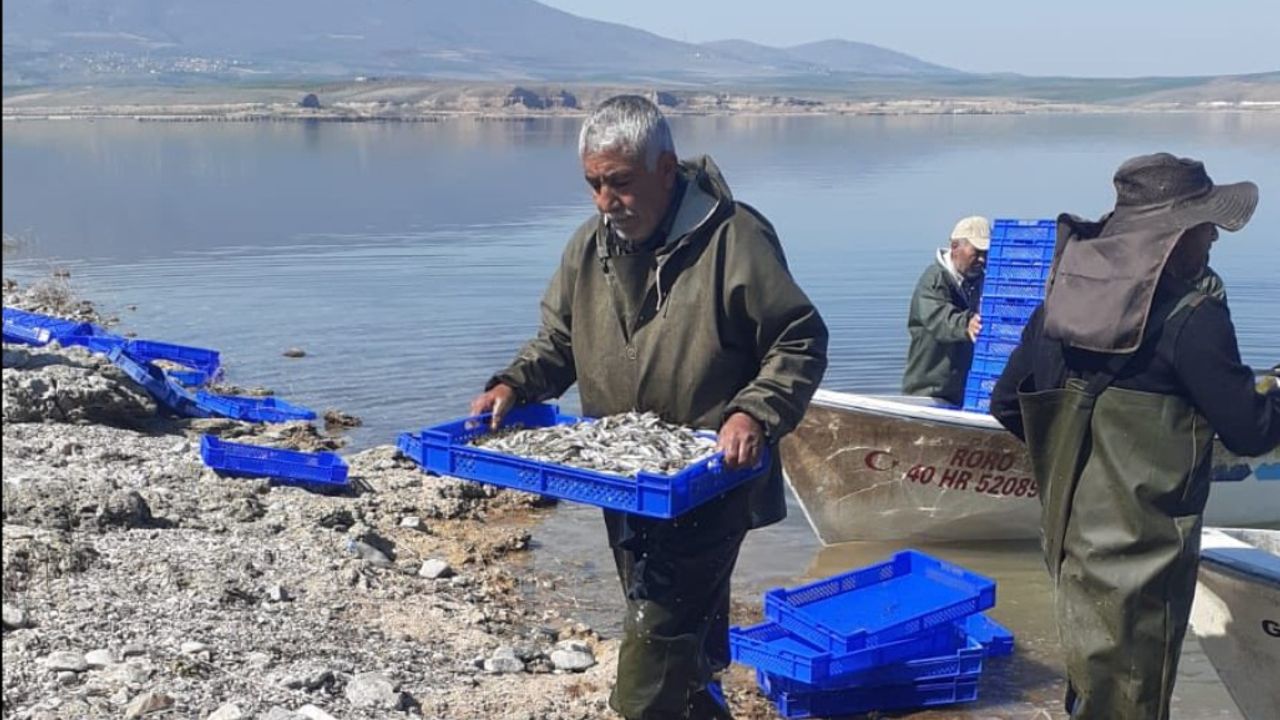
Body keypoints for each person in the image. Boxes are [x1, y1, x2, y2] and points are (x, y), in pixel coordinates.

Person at [469, 95, 828, 720]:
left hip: (711, 481)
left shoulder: (735, 238)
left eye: (620, 182)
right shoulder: (590, 247)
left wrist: (753, 412)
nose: (605, 201)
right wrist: (513, 385)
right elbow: (559, 343)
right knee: (675, 624)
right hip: (624, 481)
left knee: (654, 635)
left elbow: (798, 340)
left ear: (665, 169)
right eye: (594, 184)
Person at [990, 152, 1280, 720]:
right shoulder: (1192, 317)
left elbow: (1006, 403)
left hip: (1070, 544)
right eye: (1205, 225)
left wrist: (1078, 467)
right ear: (1173, 236)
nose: (1214, 239)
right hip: (1145, 558)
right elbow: (1251, 431)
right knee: (1133, 700)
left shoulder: (1059, 307)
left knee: (1092, 690)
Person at [902, 215, 990, 405]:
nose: (982, 259)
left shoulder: (981, 281)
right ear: (955, 246)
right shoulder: (933, 280)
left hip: (964, 390)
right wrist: (967, 324)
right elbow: (939, 319)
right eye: (976, 252)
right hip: (929, 390)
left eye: (986, 253)